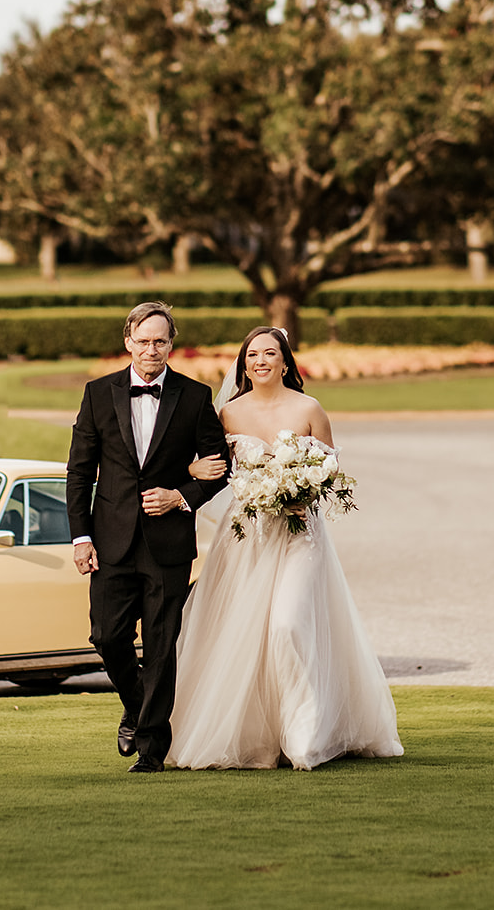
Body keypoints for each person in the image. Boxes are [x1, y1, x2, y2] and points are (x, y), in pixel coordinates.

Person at [166, 326, 403, 770]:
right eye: (252, 354)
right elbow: (211, 468)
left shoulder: (309, 409)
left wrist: (303, 491)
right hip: (247, 537)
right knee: (245, 635)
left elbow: (331, 470)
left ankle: (306, 734)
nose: (260, 361)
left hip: (300, 535)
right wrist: (194, 466)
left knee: (288, 625)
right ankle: (258, 736)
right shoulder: (229, 414)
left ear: (285, 362)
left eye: (269, 353)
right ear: (243, 363)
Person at [66, 302, 230, 774]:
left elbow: (220, 469)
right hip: (110, 540)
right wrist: (80, 537)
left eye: (160, 341)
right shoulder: (98, 394)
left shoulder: (195, 397)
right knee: (107, 636)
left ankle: (153, 750)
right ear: (128, 342)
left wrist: (180, 494)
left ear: (171, 344)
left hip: (169, 546)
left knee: (161, 644)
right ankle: (138, 709)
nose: (151, 349)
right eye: (143, 341)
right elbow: (80, 472)